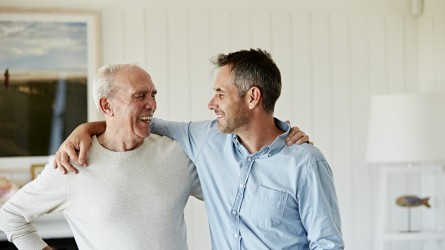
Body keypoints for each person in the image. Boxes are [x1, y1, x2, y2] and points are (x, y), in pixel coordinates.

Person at [56, 49, 343, 249]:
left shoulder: (305, 162)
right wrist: (86, 129)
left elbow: (327, 244)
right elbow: (140, 122)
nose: (211, 103)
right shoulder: (206, 139)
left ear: (252, 97)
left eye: (220, 93)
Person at [0, 64, 203, 249]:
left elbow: (229, 196)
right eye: (140, 95)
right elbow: (10, 216)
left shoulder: (177, 154)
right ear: (107, 106)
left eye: (153, 94)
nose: (152, 104)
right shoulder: (70, 165)